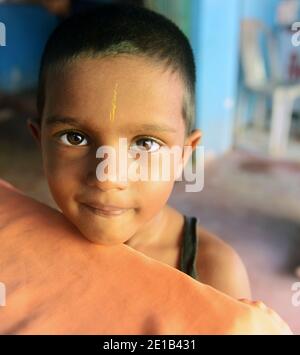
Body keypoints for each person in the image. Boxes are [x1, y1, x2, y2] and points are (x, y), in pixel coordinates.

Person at [27, 3, 251, 299]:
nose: (108, 177)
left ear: (184, 154)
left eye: (145, 143)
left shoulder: (214, 276)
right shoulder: (24, 241)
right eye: (75, 137)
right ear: (40, 140)